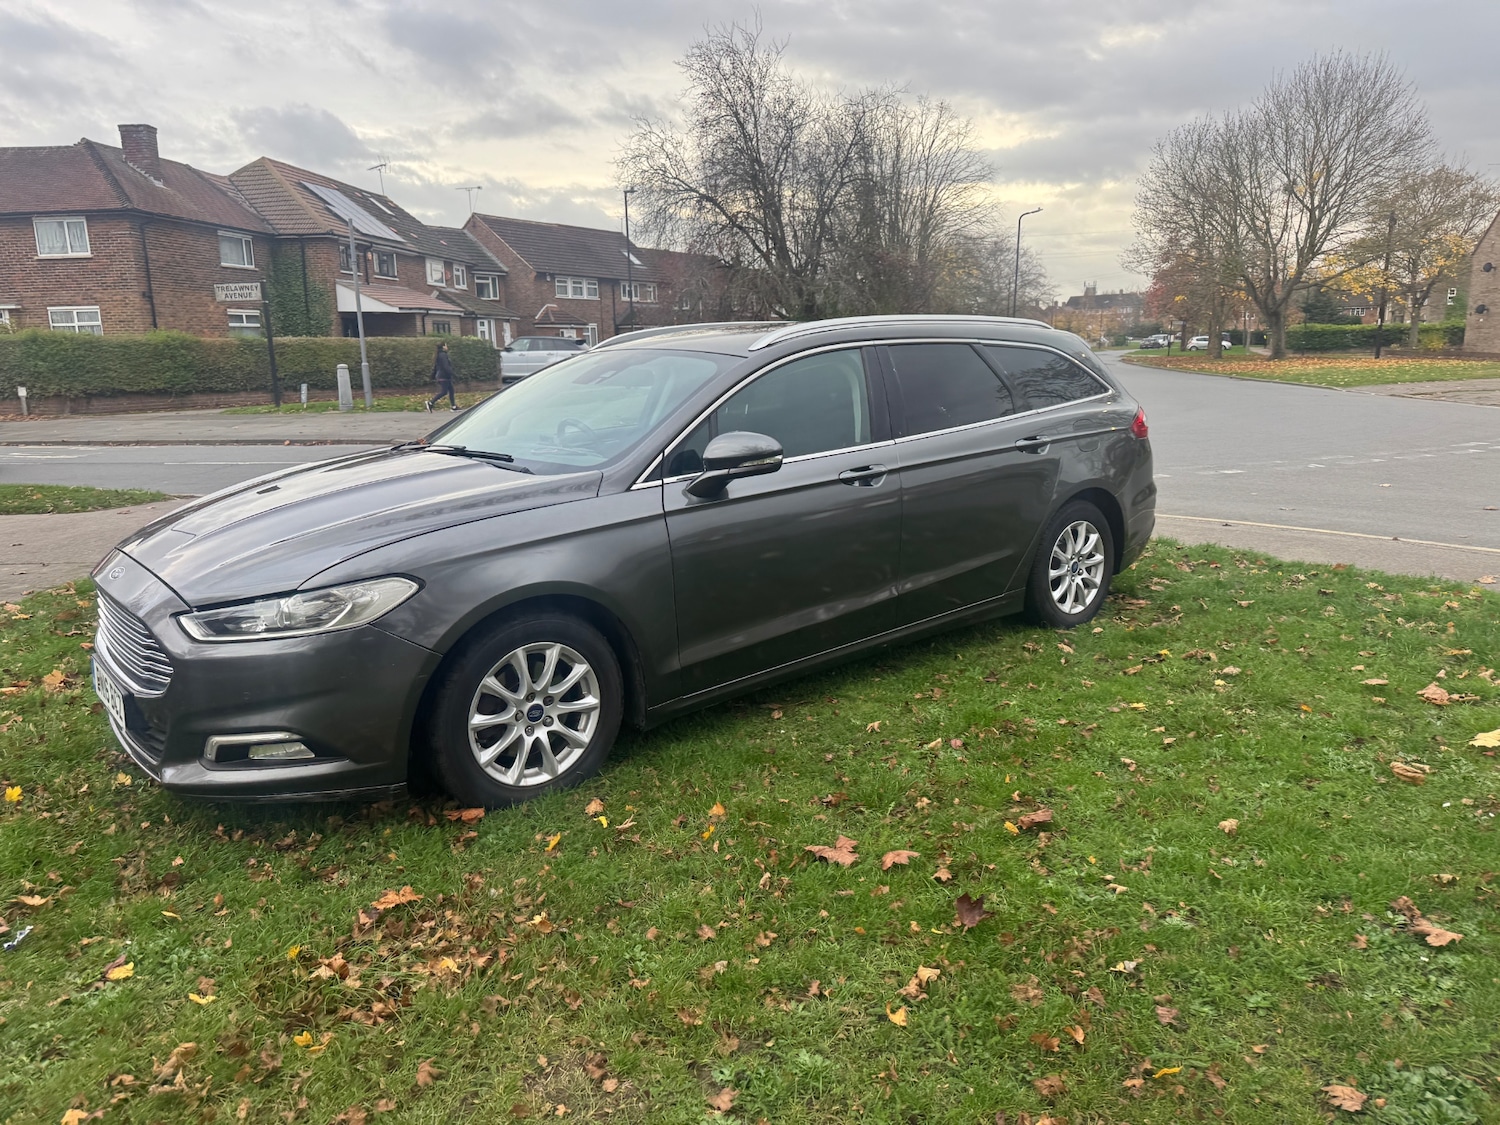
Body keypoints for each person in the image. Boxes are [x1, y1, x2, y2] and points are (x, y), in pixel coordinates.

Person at [426, 342, 457, 412]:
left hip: (443, 376)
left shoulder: (439, 355)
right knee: (444, 392)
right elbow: (446, 366)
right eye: (446, 345)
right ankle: (430, 403)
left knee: (451, 390)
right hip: (444, 376)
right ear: (443, 347)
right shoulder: (443, 355)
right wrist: (451, 373)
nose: (447, 347)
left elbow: (436, 367)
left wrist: (433, 376)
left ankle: (454, 406)